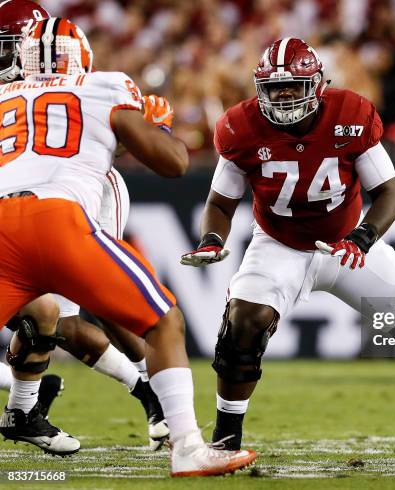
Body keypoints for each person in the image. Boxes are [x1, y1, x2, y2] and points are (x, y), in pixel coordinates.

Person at [182, 37, 395, 467]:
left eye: (292, 87)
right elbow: (221, 203)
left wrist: (363, 237)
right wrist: (213, 239)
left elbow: (389, 193)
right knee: (243, 323)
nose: (282, 97)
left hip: (348, 244)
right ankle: (223, 440)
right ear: (259, 89)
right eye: (274, 88)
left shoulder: (349, 114)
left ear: (316, 84)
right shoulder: (241, 126)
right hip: (280, 245)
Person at [0, 16, 256, 476]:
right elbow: (174, 164)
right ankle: (186, 446)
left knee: (49, 319)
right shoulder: (103, 86)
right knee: (162, 321)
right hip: (55, 220)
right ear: (83, 56)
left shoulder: (3, 97)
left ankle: (25, 410)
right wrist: (153, 125)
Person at [0, 0, 167, 454]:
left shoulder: (80, 83)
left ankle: (153, 393)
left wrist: (151, 128)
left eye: (11, 47)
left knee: (71, 313)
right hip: (19, 202)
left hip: (66, 196)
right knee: (48, 317)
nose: (6, 58)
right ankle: (24, 408)